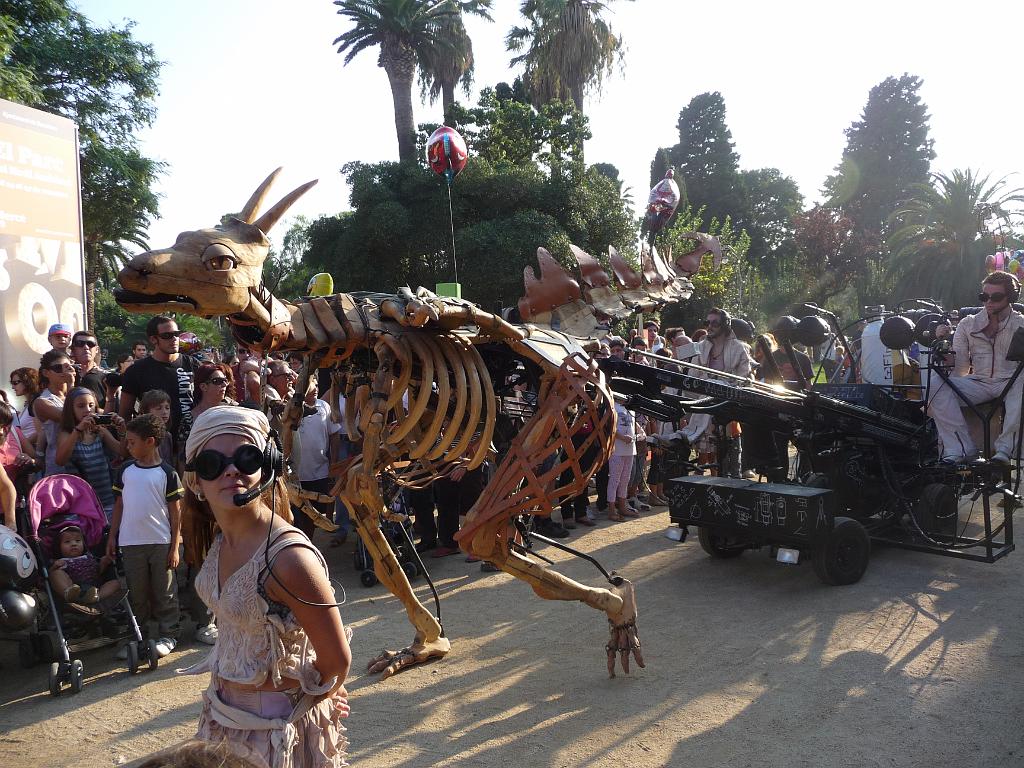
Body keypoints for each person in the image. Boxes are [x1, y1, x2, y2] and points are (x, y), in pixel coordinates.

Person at [182, 406, 351, 766]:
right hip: (222, 717)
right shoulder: (218, 538)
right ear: (196, 480)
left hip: (273, 733)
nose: (231, 470)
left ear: (268, 465)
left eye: (246, 457)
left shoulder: (288, 558)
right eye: (212, 462)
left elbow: (336, 659)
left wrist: (312, 694)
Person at [929, 270, 1024, 463]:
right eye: (984, 297)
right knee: (936, 383)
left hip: (1011, 380)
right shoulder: (967, 324)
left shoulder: (1020, 324)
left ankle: (1005, 450)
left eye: (996, 297)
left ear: (1011, 297)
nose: (989, 302)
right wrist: (942, 343)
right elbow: (960, 369)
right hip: (979, 382)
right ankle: (961, 448)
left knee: (1022, 376)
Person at [108, 414, 183, 658]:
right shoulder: (124, 471)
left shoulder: (168, 473)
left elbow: (176, 513)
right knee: (136, 594)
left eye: (132, 442)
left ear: (150, 441)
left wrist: (174, 547)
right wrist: (112, 537)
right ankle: (138, 638)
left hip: (161, 543)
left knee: (165, 592)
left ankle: (168, 634)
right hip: (130, 544)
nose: (127, 446)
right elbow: (118, 506)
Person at [120, 315, 198, 457]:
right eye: (167, 335)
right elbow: (125, 414)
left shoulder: (193, 365)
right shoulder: (136, 371)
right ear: (153, 339)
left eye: (176, 334)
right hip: (154, 448)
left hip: (191, 445)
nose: (174, 339)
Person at [55, 387, 126, 519]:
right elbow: (60, 460)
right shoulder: (67, 433)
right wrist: (78, 430)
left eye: (91, 405)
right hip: (81, 503)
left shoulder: (100, 431)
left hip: (106, 498)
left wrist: (122, 430)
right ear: (71, 409)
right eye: (81, 406)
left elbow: (123, 452)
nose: (87, 410)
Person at [290, 376, 340, 540]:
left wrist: (333, 462)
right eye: (313, 384)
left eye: (318, 384)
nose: (316, 388)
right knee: (300, 519)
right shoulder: (289, 407)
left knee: (315, 515)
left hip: (319, 472)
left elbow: (334, 434)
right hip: (296, 476)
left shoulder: (324, 406)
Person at [48, 524, 120, 605]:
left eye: (78, 541)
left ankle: (95, 597)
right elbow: (51, 576)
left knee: (115, 583)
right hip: (74, 587)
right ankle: (68, 593)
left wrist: (103, 563)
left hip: (94, 587)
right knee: (56, 573)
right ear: (58, 547)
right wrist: (55, 567)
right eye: (67, 542)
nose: (73, 544)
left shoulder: (89, 557)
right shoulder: (61, 561)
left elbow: (98, 571)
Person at [35, 349, 77, 476]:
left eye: (67, 366)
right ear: (46, 373)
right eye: (58, 368)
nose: (64, 371)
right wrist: (71, 384)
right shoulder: (42, 401)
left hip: (84, 459)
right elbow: (71, 418)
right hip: (59, 466)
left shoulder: (80, 394)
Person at [607, 400, 638, 522]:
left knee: (625, 479)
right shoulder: (612, 406)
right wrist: (622, 437)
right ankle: (611, 510)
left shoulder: (631, 408)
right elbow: (609, 428)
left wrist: (639, 434)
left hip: (630, 450)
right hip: (617, 450)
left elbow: (634, 427)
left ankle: (622, 507)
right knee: (614, 479)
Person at [71, 330, 107, 410]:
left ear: (97, 349)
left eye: (90, 344)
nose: (86, 347)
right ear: (73, 349)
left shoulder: (105, 377)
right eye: (80, 344)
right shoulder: (63, 374)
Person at [140, 389, 176, 464]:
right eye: (159, 408)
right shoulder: (141, 436)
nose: (164, 412)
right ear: (146, 411)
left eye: (167, 408)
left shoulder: (168, 436)